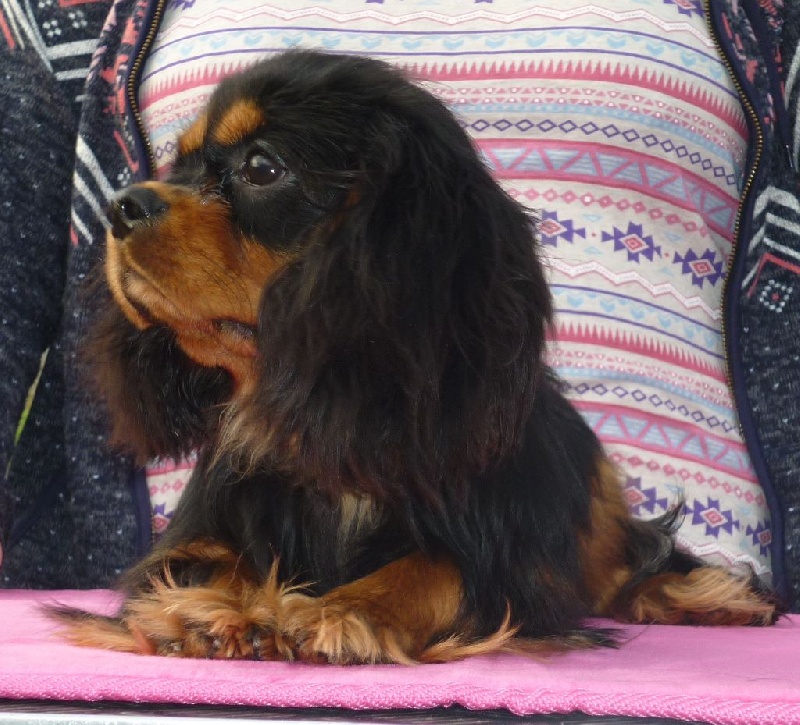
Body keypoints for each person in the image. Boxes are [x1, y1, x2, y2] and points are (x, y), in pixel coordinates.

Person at [1, 0, 798, 611]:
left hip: (691, 644)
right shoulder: (74, 16)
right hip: (153, 663)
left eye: (259, 169)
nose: (154, 201)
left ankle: (633, 566)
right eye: (186, 170)